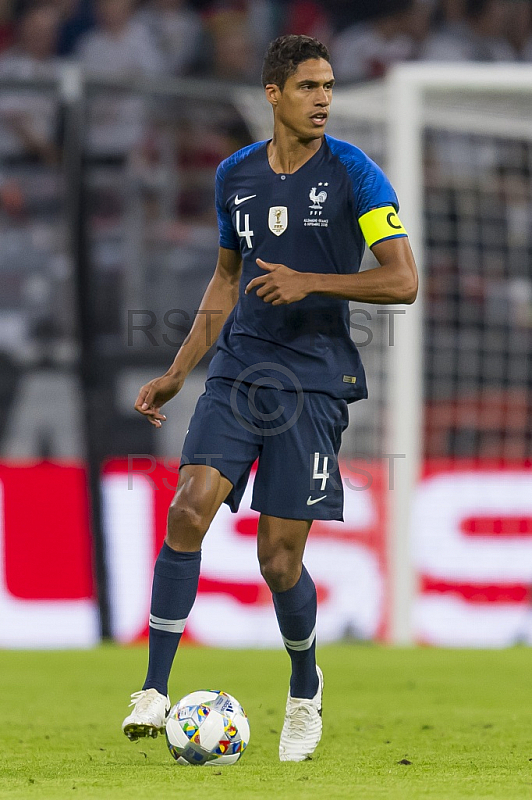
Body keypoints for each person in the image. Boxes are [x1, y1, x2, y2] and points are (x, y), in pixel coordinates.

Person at [122, 34, 418, 762]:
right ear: (273, 94)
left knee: (279, 562)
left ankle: (305, 686)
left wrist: (312, 280)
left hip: (313, 380)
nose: (323, 98)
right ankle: (155, 690)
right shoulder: (236, 175)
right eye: (309, 86)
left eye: (329, 86)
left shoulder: (355, 172)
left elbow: (402, 280)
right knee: (188, 506)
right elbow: (226, 278)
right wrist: (179, 369)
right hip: (238, 368)